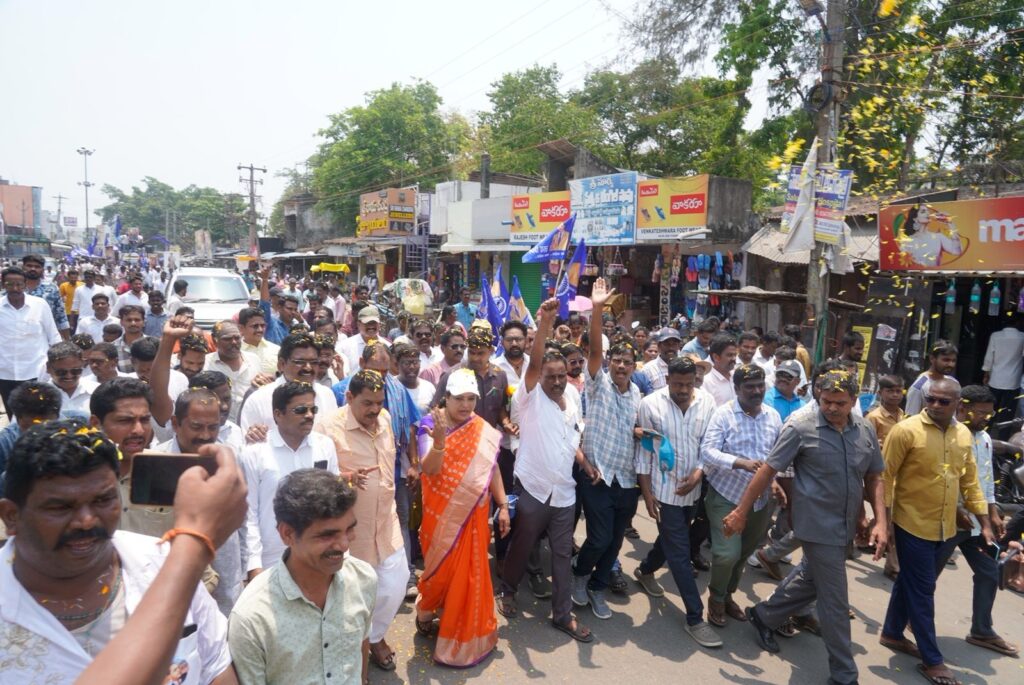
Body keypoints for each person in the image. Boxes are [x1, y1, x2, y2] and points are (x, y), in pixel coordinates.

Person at [0, 420, 236, 684]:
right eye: (60, 507)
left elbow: (217, 669)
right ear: (11, 516)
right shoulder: (181, 565)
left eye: (103, 500)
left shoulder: (163, 562)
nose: (86, 521)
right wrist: (195, 543)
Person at [722, 369, 888, 685]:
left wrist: (879, 520)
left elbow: (873, 476)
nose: (832, 408)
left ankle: (765, 615)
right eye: (826, 401)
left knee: (812, 580)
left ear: (854, 400)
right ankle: (844, 675)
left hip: (845, 524)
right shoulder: (800, 427)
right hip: (815, 525)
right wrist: (741, 511)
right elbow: (768, 469)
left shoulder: (864, 429)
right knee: (835, 602)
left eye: (840, 403)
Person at [880, 377, 992, 685]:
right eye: (931, 399)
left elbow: (969, 481)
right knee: (923, 589)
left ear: (958, 404)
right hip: (911, 522)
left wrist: (985, 523)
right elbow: (884, 478)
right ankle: (932, 660)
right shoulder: (906, 430)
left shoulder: (963, 434)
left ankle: (892, 632)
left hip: (945, 525)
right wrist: (883, 524)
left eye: (943, 401)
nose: (935, 405)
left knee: (911, 581)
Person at [497, 298, 591, 643]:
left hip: (564, 492)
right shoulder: (529, 396)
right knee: (522, 545)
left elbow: (570, 438)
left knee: (562, 554)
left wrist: (583, 462)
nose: (556, 381)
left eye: (561, 375)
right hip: (533, 488)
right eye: (550, 377)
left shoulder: (574, 399)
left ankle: (562, 615)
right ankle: (508, 589)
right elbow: (534, 363)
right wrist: (545, 325)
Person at [229, 468, 374, 685]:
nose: (344, 545)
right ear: (287, 534)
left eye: (349, 530)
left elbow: (361, 647)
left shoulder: (363, 579)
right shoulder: (252, 617)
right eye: (327, 535)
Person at [415, 369, 510, 666]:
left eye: (471, 399)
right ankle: (426, 611)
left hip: (475, 516)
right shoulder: (430, 424)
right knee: (439, 571)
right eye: (459, 399)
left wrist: (503, 505)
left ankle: (463, 633)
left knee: (469, 575)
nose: (466, 405)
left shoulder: (481, 428)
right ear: (446, 397)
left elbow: (492, 468)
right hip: (441, 516)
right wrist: (439, 442)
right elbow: (429, 469)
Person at [316, 369, 409, 672]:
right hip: (349, 533)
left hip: (386, 522)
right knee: (350, 598)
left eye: (379, 402)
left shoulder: (384, 420)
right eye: (367, 403)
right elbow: (314, 477)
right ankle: (354, 649)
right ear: (349, 397)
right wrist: (343, 478)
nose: (374, 410)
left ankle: (374, 636)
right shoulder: (327, 427)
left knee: (395, 586)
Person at [633, 355, 722, 647]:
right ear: (667, 379)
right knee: (680, 552)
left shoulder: (707, 402)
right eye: (677, 384)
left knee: (673, 540)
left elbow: (709, 445)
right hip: (664, 491)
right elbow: (645, 451)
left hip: (693, 490)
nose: (683, 390)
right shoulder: (650, 405)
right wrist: (647, 493)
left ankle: (645, 570)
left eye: (688, 384)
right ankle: (695, 618)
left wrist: (699, 473)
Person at [571, 278, 641, 621]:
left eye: (628, 361)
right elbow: (595, 350)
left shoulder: (638, 395)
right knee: (598, 538)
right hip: (596, 475)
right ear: (609, 363)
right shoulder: (598, 384)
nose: (621, 366)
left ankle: (598, 587)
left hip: (626, 480)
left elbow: (634, 431)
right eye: (617, 360)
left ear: (634, 367)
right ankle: (580, 574)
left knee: (615, 542)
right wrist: (597, 310)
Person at [933, 385, 1018, 657]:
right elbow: (944, 479)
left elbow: (985, 480)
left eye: (989, 414)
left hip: (976, 523)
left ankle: (982, 630)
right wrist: (958, 510)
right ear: (962, 408)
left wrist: (991, 513)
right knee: (928, 575)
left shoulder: (985, 439)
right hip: (950, 520)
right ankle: (908, 620)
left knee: (989, 572)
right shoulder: (950, 435)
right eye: (980, 413)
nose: (986, 418)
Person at [700, 363, 782, 627]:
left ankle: (727, 596)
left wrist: (775, 482)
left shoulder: (773, 417)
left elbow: (778, 457)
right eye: (749, 387)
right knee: (727, 554)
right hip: (727, 496)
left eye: (760, 386)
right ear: (736, 389)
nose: (756, 391)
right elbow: (707, 452)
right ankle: (715, 598)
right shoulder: (723, 415)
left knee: (743, 554)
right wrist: (740, 463)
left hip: (760, 502)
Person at [240, 381, 340, 576]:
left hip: (317, 552)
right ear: (278, 414)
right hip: (271, 558)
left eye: (313, 409)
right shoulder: (255, 452)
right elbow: (249, 513)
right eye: (300, 410)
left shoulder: (325, 446)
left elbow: (333, 504)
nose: (309, 415)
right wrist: (253, 565)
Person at [238, 333, 337, 438]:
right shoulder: (258, 400)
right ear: (281, 364)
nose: (308, 368)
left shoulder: (327, 395)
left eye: (314, 362)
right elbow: (248, 443)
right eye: (300, 362)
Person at [0, 265, 62, 419]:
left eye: (19, 284)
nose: (15, 288)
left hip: (36, 372)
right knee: (14, 417)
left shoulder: (39, 305)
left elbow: (53, 335)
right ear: (3, 285)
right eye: (10, 284)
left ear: (25, 284)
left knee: (39, 415)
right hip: (5, 373)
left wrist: (58, 363)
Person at [0, 381, 61, 480]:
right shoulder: (5, 443)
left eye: (48, 427)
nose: (40, 434)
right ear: (18, 419)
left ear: (58, 416)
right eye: (31, 428)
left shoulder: (79, 427)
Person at [205, 321, 262, 424]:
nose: (234, 342)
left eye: (237, 338)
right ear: (214, 340)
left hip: (250, 425)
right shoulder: (205, 364)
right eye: (227, 339)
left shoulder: (254, 360)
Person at [982, 316, 1024, 419]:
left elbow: (989, 357)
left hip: (995, 379)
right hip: (1013, 381)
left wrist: (986, 374)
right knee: (1008, 410)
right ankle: (1004, 429)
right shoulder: (1022, 337)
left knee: (992, 407)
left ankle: (989, 426)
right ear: (1018, 323)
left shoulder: (995, 336)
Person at [46, 340, 99, 421]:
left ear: (82, 364)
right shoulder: (39, 397)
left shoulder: (97, 391)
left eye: (75, 371)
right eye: (61, 372)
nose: (69, 376)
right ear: (48, 368)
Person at [22, 253, 71, 339]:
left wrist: (67, 339)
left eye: (37, 267)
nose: (33, 269)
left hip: (45, 337)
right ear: (23, 267)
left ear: (42, 269)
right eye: (29, 266)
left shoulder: (51, 288)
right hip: (18, 336)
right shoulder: (15, 288)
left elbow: (61, 316)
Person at [905, 340, 957, 416]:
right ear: (932, 358)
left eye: (953, 361)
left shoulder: (953, 382)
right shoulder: (919, 387)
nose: (951, 364)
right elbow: (910, 418)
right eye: (946, 360)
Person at [338, 304, 390, 374]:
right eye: (367, 323)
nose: (371, 326)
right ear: (358, 324)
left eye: (374, 323)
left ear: (379, 324)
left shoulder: (388, 346)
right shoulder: (344, 347)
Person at [866, 374, 906, 449]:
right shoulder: (874, 417)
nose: (895, 395)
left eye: (898, 391)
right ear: (880, 393)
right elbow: (865, 443)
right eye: (890, 391)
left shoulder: (901, 413)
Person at [239, 306, 281, 375]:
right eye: (255, 326)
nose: (260, 330)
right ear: (241, 328)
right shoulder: (235, 353)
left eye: (262, 325)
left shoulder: (276, 350)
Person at [641, 326, 683, 391]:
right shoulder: (648, 369)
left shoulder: (685, 366)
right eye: (667, 344)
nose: (671, 348)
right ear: (659, 346)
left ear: (679, 346)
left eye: (674, 344)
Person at [703, 333, 737, 406]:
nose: (734, 358)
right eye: (730, 355)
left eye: (735, 355)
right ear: (716, 357)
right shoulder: (706, 382)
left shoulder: (736, 376)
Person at [493, 320, 530, 386]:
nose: (514, 344)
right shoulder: (494, 367)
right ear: (502, 342)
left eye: (518, 339)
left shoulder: (534, 364)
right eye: (509, 340)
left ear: (526, 341)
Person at [113, 305, 146, 373]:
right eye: (129, 320)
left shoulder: (155, 345)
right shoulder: (113, 347)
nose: (133, 323)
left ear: (143, 322)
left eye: (137, 320)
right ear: (121, 322)